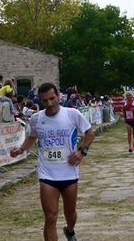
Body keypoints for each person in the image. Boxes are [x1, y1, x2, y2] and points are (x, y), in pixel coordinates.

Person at [10, 82, 94, 241]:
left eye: (52, 98)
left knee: (70, 213)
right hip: (47, 174)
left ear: (58, 96)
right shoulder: (36, 118)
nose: (49, 103)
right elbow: (32, 137)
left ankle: (69, 230)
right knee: (50, 217)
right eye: (45, 100)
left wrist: (82, 151)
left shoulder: (72, 114)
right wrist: (21, 149)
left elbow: (89, 133)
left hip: (69, 172)